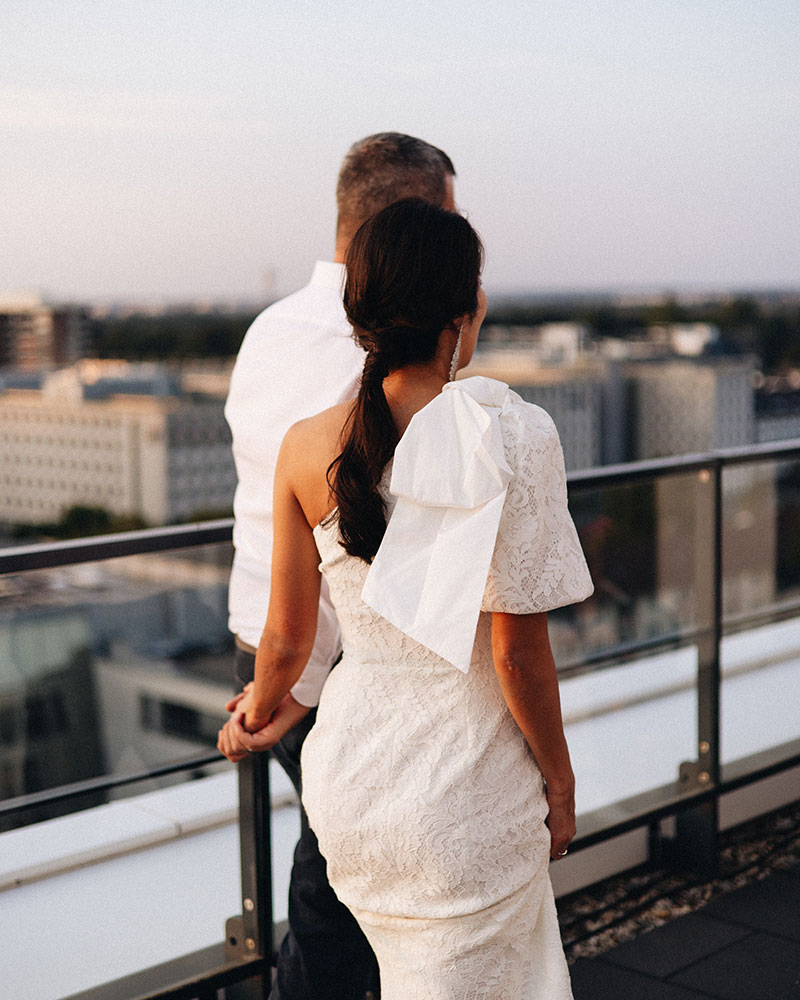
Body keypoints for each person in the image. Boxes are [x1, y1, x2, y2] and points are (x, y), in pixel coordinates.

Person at [219, 199, 594, 999]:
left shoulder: (305, 443)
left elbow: (285, 639)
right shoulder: (511, 435)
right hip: (464, 793)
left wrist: (256, 710)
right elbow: (514, 652)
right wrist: (559, 786)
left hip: (352, 787)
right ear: (464, 313)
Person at [224, 133, 457, 1000]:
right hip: (322, 663)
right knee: (341, 895)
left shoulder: (267, 330)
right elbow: (358, 545)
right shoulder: (377, 359)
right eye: (451, 226)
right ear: (412, 226)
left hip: (263, 635)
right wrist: (300, 688)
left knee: (338, 865)